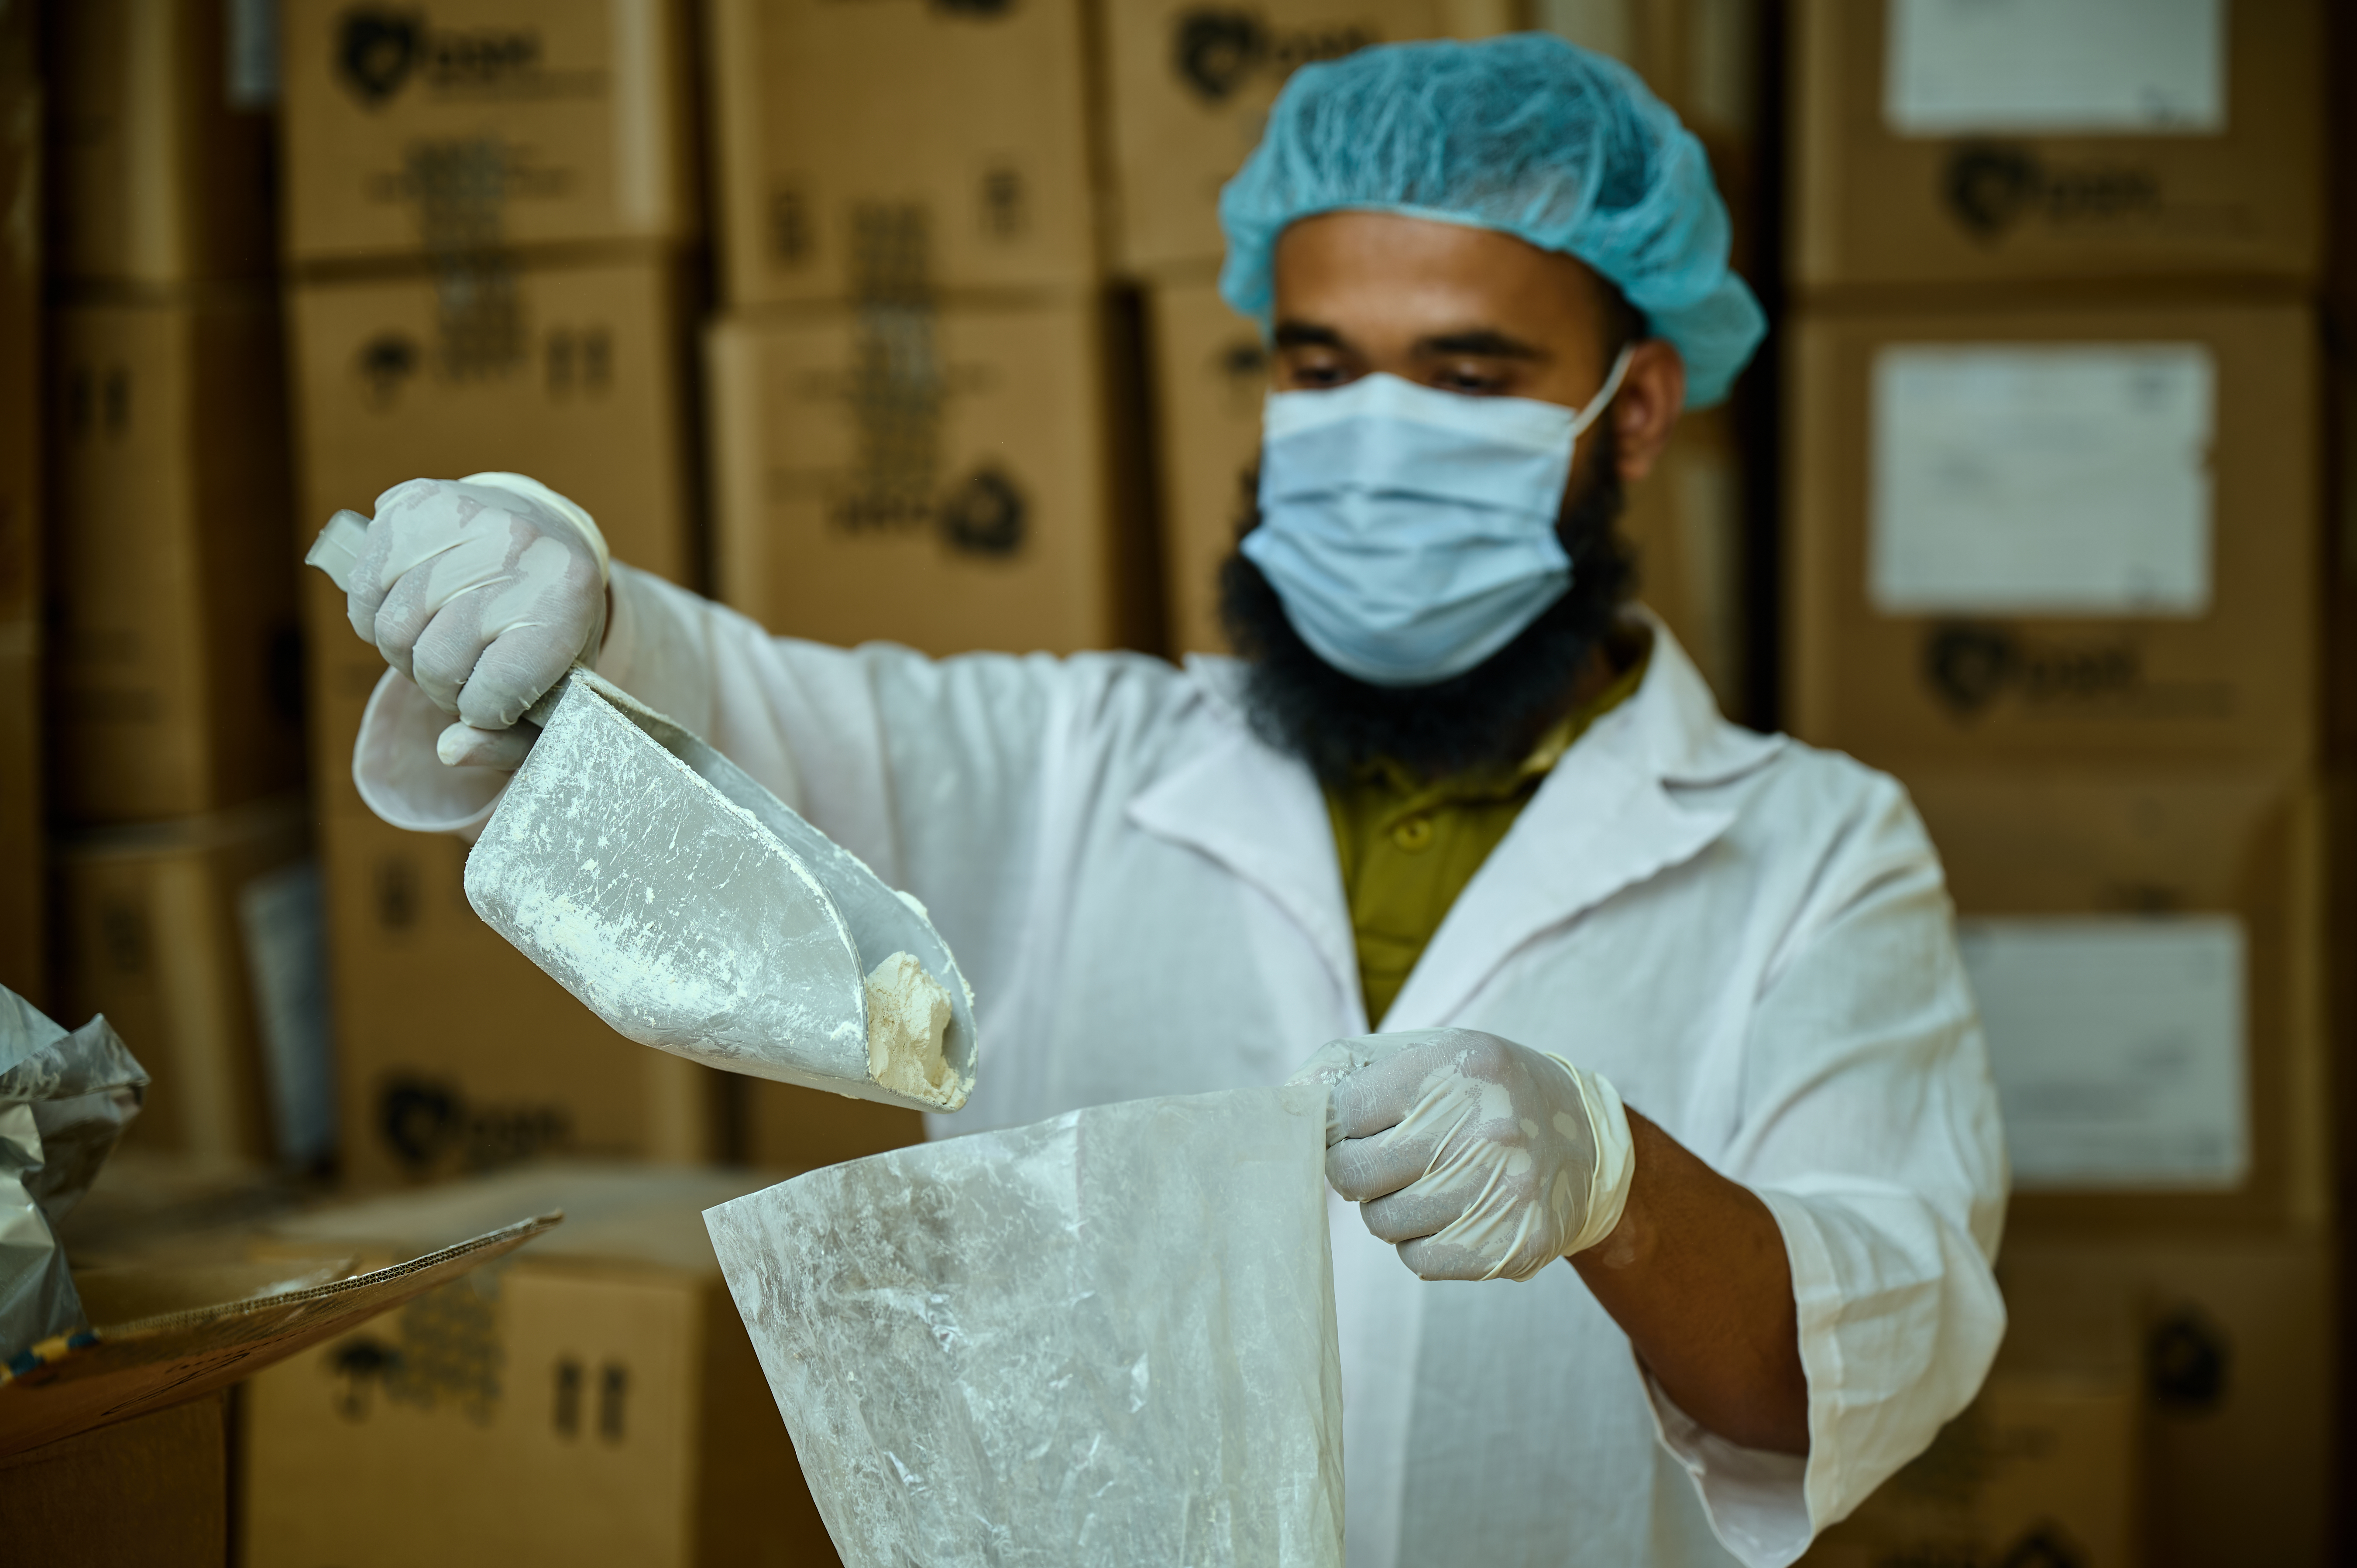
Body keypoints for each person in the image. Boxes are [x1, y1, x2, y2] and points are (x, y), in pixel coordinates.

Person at [335, 34, 2005, 1568]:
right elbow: (741, 716)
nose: (1374, 439)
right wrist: (560, 590)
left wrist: (1618, 1186)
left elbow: (1856, 1366)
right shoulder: (1080, 769)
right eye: (1322, 369)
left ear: (1630, 411)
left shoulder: (1815, 853)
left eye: (1470, 377)